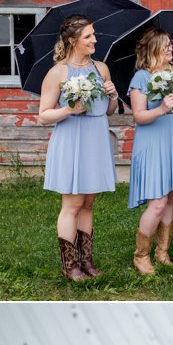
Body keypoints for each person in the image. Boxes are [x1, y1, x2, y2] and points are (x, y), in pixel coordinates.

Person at [38, 15, 120, 280]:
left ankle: (86, 260)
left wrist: (113, 96)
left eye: (94, 34)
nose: (94, 39)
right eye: (88, 36)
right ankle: (69, 265)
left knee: (88, 203)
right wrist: (68, 109)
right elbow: (43, 115)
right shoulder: (58, 72)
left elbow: (109, 111)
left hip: (96, 138)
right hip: (72, 138)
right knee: (72, 203)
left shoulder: (101, 69)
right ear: (73, 41)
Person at [128, 28, 173, 275]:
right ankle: (141, 255)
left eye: (171, 45)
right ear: (153, 50)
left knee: (168, 198)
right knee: (157, 202)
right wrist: (160, 109)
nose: (171, 49)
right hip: (153, 142)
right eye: (166, 45)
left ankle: (162, 251)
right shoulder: (142, 78)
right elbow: (139, 116)